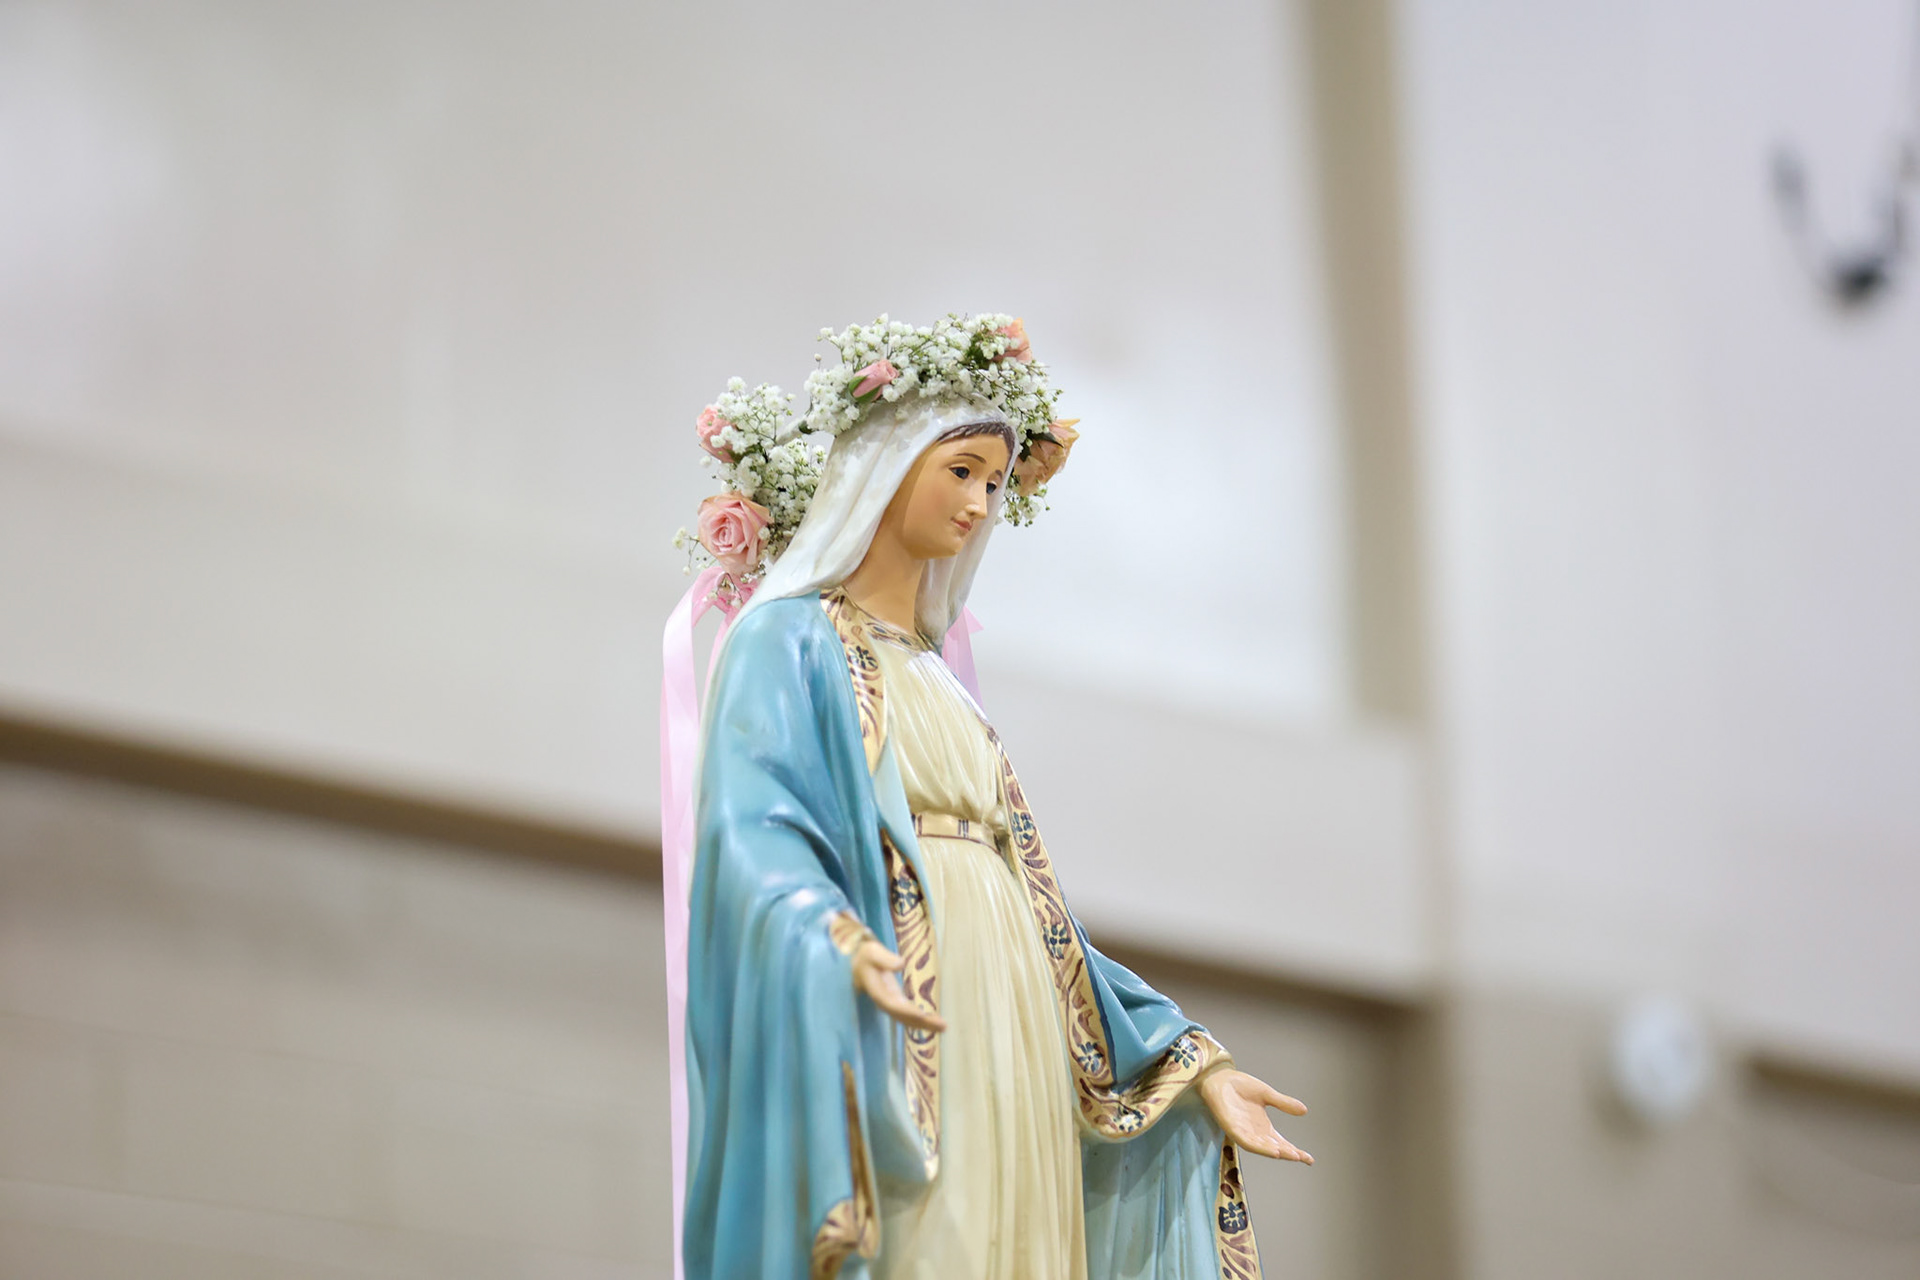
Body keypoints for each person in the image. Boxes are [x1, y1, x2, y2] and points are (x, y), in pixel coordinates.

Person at [668, 316, 1312, 1280]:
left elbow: (1041, 910)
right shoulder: (790, 640)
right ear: (884, 465)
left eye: (995, 483)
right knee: (937, 1238)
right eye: (960, 469)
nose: (978, 503)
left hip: (1010, 989)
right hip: (907, 996)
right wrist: (827, 931)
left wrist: (1182, 1058)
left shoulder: (937, 678)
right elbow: (750, 823)